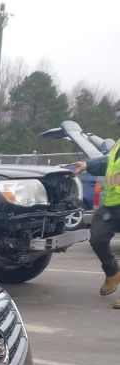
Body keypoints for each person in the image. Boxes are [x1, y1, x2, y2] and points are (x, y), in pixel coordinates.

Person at [72, 110, 120, 309]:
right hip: (112, 203)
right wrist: (87, 164)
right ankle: (112, 272)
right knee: (98, 237)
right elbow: (109, 163)